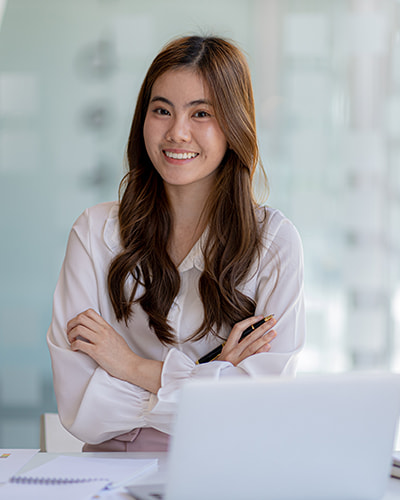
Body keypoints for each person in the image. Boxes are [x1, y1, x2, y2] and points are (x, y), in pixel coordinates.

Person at [47, 35, 305, 452]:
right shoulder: (94, 234)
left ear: (235, 125)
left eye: (201, 113)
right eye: (161, 110)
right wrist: (214, 379)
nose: (177, 132)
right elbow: (82, 410)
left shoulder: (274, 243)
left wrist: (130, 366)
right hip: (109, 475)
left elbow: (260, 409)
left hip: (229, 473)